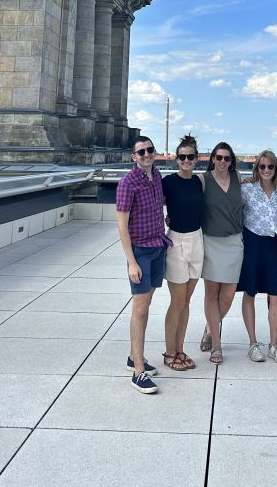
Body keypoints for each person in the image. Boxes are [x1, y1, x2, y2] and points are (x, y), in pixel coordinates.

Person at [116, 135, 170, 394]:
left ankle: (132, 357)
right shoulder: (128, 183)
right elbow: (121, 226)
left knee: (146, 303)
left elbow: (157, 206)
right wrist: (131, 262)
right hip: (140, 252)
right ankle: (138, 372)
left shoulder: (156, 176)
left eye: (149, 150)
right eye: (141, 152)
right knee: (140, 309)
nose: (146, 155)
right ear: (133, 157)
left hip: (158, 246)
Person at [237, 150, 277, 364]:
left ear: (275, 169)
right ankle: (253, 343)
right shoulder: (246, 189)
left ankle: (274, 345)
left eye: (270, 166)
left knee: (276, 296)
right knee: (250, 293)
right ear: (256, 168)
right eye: (262, 166)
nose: (266, 170)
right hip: (251, 243)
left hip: (273, 245)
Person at [162, 133, 204, 372]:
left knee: (186, 301)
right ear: (177, 159)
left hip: (197, 240)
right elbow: (149, 204)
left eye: (190, 157)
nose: (186, 160)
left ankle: (180, 349)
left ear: (196, 158)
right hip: (176, 241)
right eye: (182, 157)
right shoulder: (168, 182)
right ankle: (169, 353)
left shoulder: (199, 182)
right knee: (177, 301)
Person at [200, 141, 244, 365]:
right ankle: (216, 345)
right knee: (211, 294)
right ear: (212, 159)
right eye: (218, 157)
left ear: (232, 161)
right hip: (211, 242)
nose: (222, 162)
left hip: (234, 242)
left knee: (227, 295)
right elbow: (183, 196)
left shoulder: (240, 179)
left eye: (227, 158)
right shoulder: (203, 180)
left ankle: (210, 327)